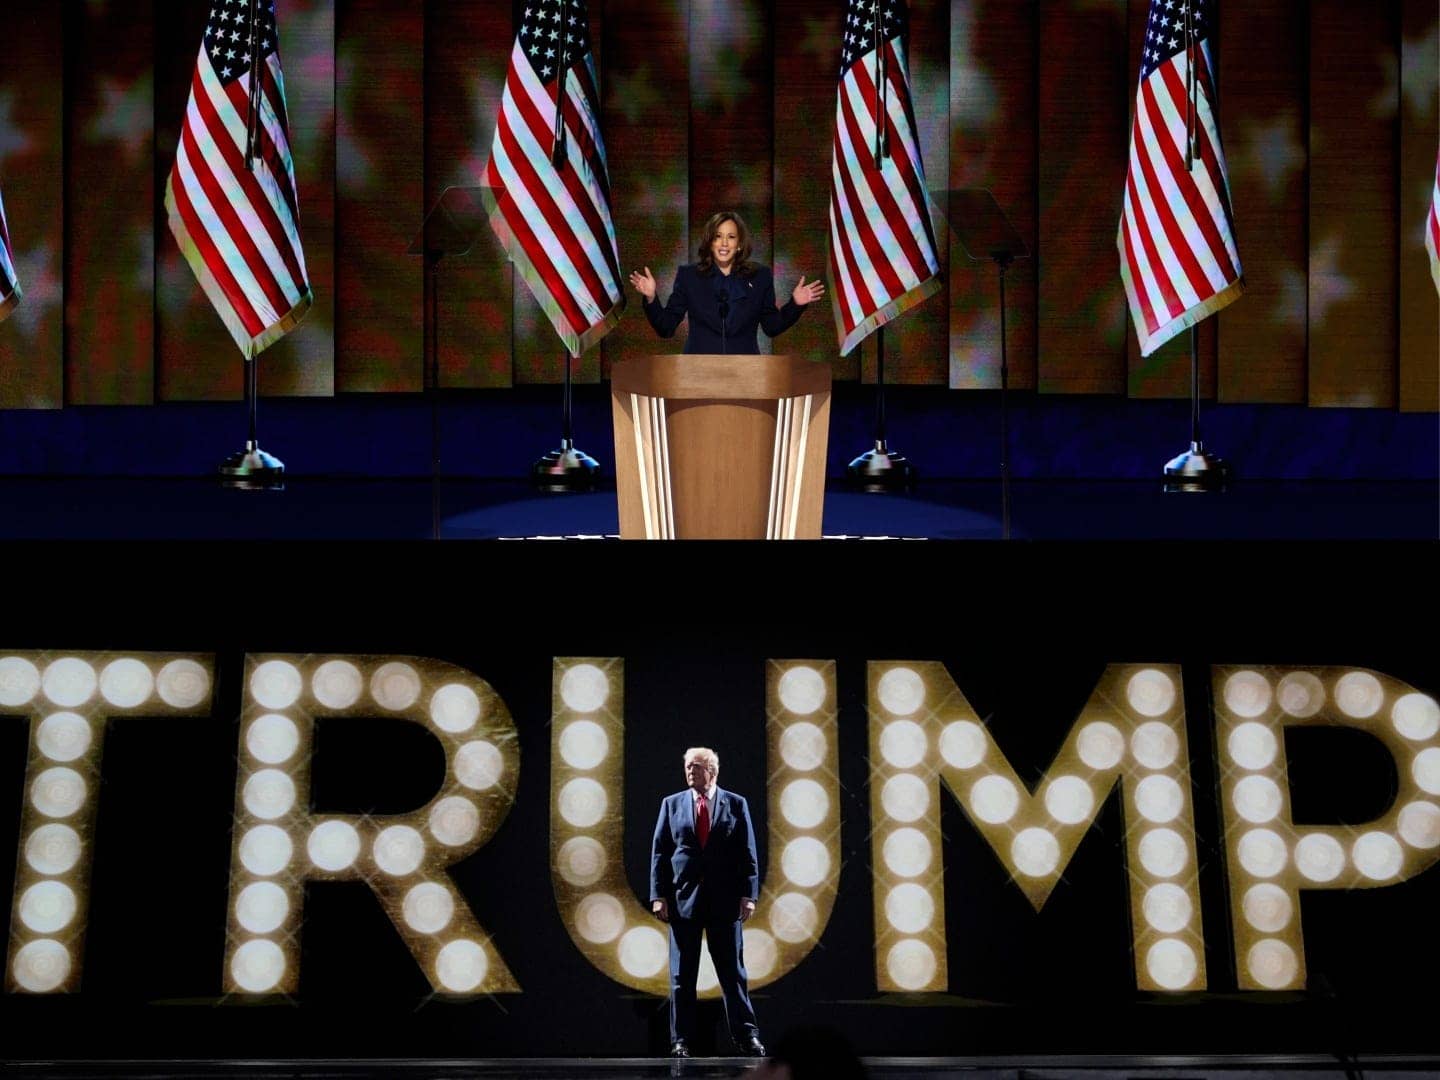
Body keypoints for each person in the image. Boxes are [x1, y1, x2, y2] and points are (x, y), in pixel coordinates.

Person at [650, 746, 765, 1058]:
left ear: (712, 772)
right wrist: (658, 895)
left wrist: (748, 895)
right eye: (687, 766)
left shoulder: (736, 804)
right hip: (683, 901)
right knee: (681, 978)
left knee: (732, 974)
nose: (690, 772)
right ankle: (681, 1041)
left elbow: (747, 852)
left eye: (696, 767)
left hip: (724, 902)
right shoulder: (671, 804)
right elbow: (660, 852)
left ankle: (746, 1036)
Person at [628, 211, 825, 355]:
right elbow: (666, 328)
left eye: (731, 237)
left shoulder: (760, 276)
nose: (724, 243)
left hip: (744, 374)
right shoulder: (689, 277)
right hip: (698, 374)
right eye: (718, 236)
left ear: (739, 244)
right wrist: (651, 297)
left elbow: (771, 326)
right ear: (710, 242)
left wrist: (796, 304)